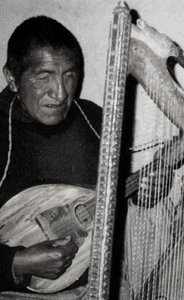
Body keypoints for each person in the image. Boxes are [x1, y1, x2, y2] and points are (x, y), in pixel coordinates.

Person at [0, 16, 102, 296]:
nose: (60, 93)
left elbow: (109, 196)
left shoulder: (93, 118)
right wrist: (18, 262)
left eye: (69, 75)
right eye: (44, 77)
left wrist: (150, 190)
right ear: (12, 78)